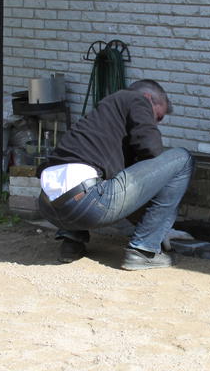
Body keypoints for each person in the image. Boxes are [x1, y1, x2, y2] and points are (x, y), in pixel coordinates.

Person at [37, 79, 194, 270]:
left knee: (90, 178)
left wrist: (160, 226)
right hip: (85, 204)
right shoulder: (137, 99)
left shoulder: (102, 121)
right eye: (158, 117)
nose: (155, 123)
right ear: (148, 98)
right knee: (183, 159)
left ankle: (71, 241)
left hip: (49, 206)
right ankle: (144, 251)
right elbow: (152, 150)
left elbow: (130, 190)